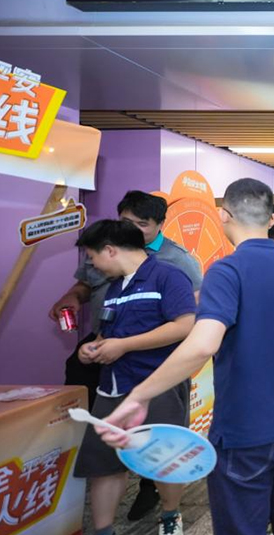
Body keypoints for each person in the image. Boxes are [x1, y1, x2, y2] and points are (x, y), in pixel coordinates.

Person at [98, 178, 274, 535]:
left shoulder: (227, 270)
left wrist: (140, 394)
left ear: (223, 215)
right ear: (271, 219)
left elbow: (203, 344)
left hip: (245, 429)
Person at [49, 190, 203, 522]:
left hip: (158, 383)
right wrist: (95, 347)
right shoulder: (115, 286)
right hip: (112, 385)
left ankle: (170, 516)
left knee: (162, 459)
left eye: (93, 257)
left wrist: (124, 345)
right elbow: (107, 328)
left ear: (110, 250)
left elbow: (185, 324)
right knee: (104, 463)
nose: (91, 265)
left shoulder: (172, 270)